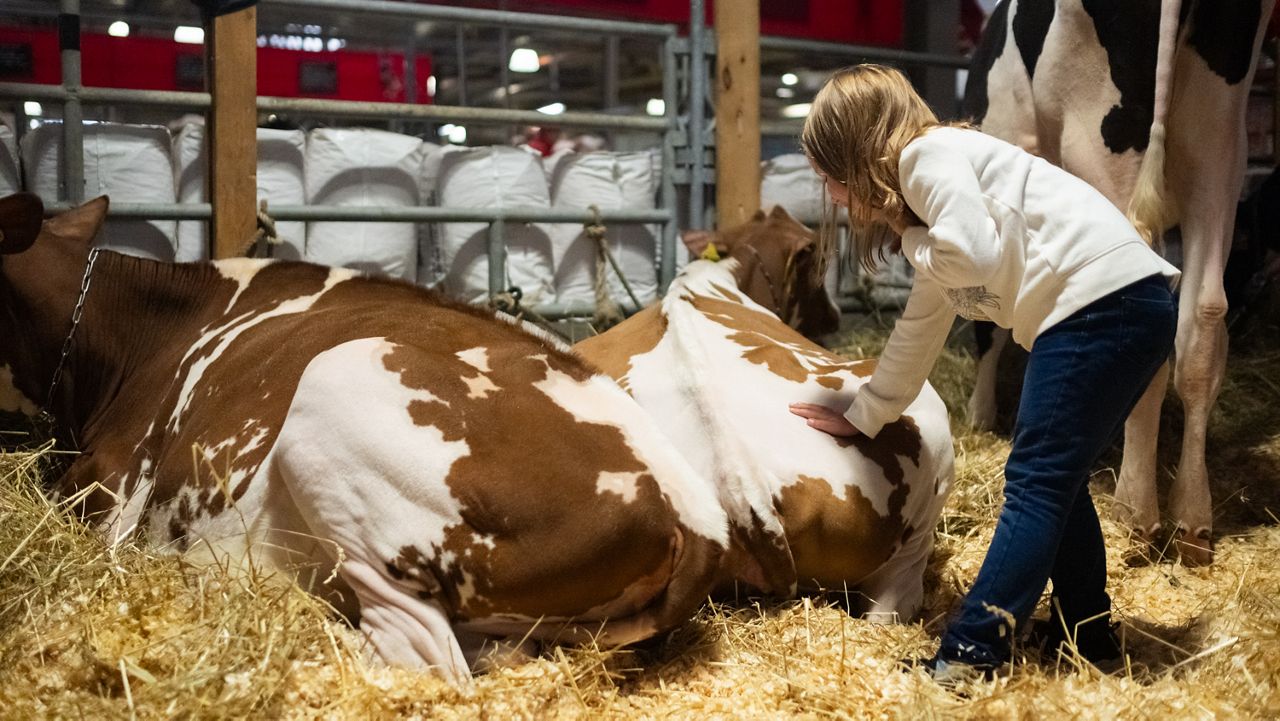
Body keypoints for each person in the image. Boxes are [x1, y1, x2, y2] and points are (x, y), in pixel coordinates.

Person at [787, 64, 1179, 684]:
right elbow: (922, 324)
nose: (833, 194)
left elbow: (970, 256)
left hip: (1102, 306)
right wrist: (865, 414)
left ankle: (969, 657)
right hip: (1125, 304)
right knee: (1058, 479)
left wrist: (912, 242)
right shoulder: (935, 193)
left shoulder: (925, 156)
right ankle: (1088, 635)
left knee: (1035, 481)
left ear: (857, 150)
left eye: (831, 174)